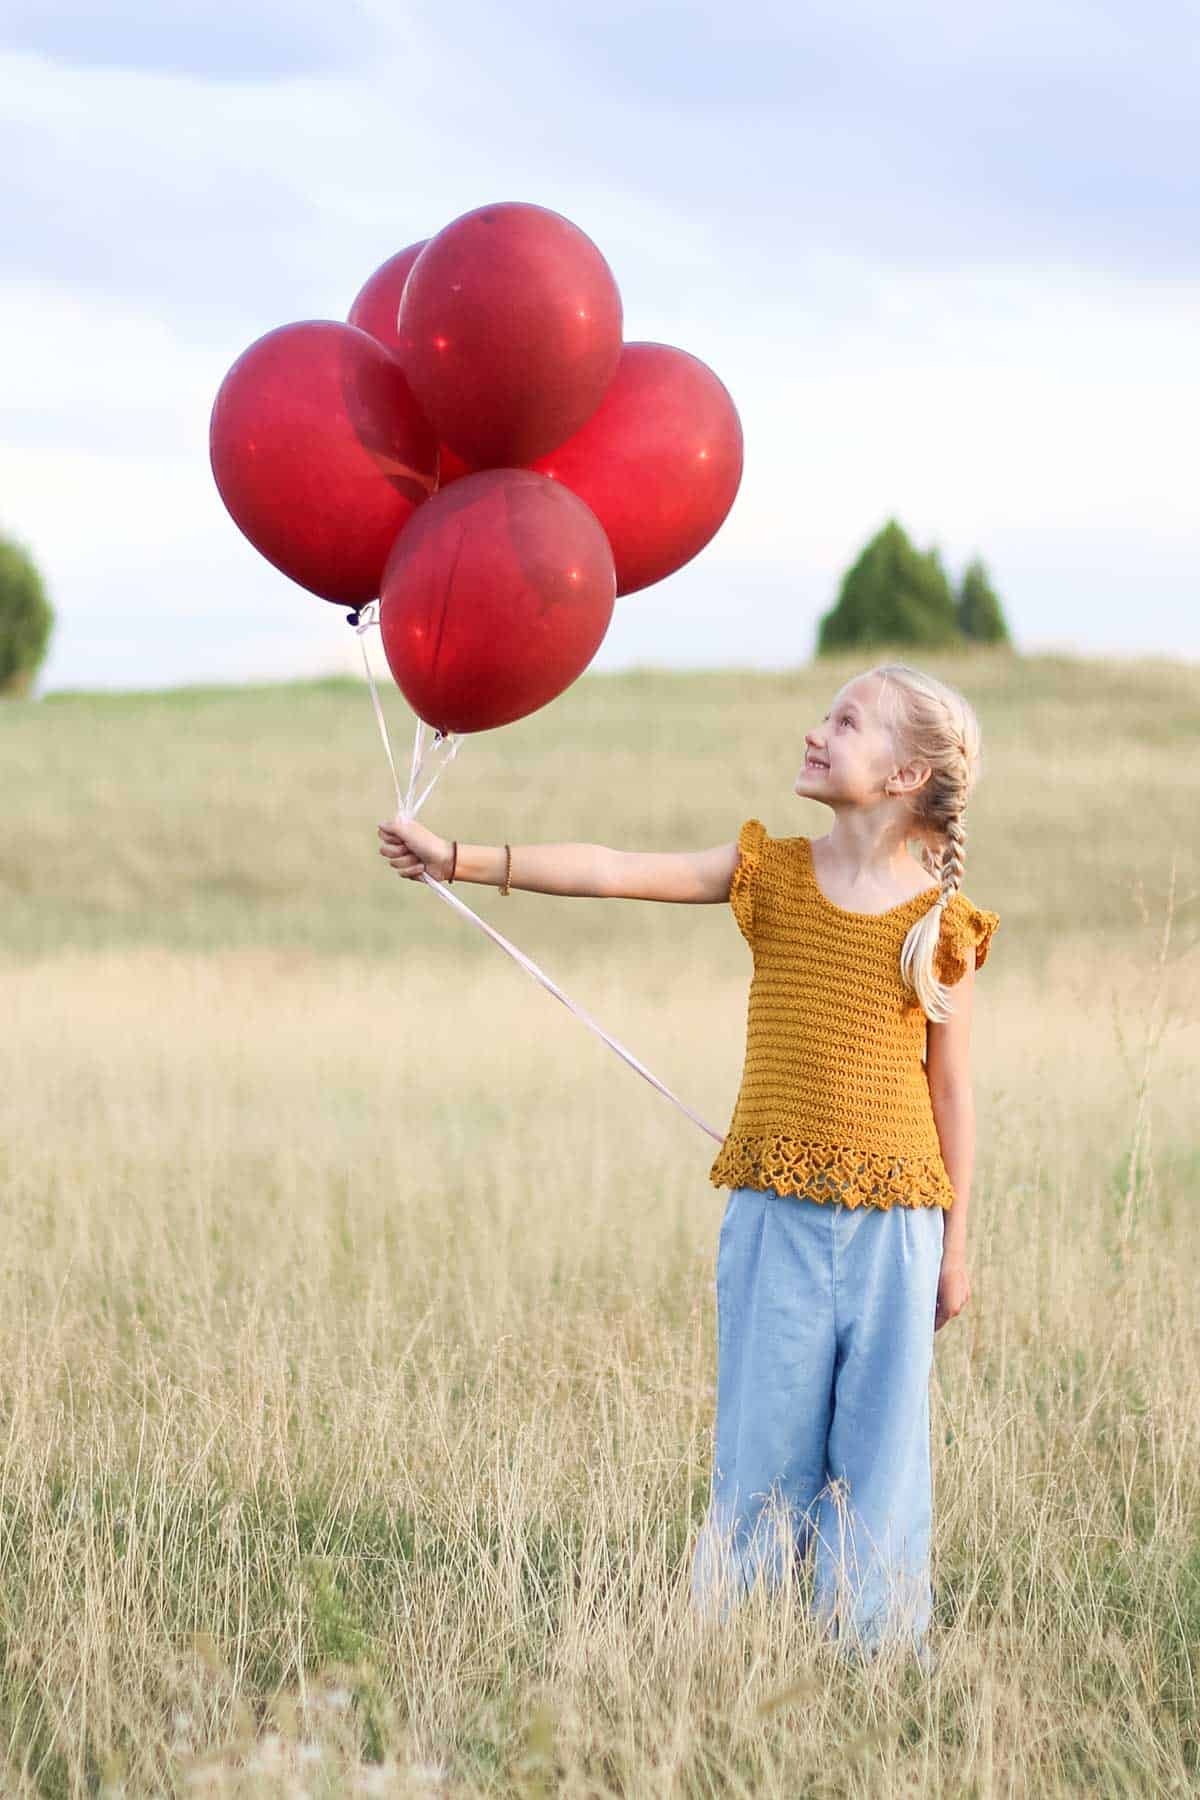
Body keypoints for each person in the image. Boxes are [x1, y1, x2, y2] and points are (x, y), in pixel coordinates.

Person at [376, 660, 1000, 1669]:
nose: (816, 730)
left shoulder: (941, 926)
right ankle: (739, 1648)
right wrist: (457, 856)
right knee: (763, 1446)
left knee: (882, 1459)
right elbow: (616, 868)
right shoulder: (773, 873)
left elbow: (952, 1094)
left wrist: (957, 1248)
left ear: (902, 775)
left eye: (845, 722)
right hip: (774, 1221)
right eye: (824, 714)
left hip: (896, 1228)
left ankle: (874, 1662)